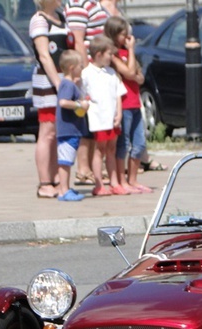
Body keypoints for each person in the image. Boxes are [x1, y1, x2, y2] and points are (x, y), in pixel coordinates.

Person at [30, 0, 73, 199]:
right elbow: (44, 55)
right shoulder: (39, 20)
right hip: (47, 83)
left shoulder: (61, 18)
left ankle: (57, 179)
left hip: (63, 81)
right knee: (46, 131)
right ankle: (44, 182)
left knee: (57, 132)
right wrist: (57, 83)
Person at [104, 16, 151, 194]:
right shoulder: (114, 56)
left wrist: (130, 54)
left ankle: (133, 179)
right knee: (123, 144)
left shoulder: (127, 54)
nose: (127, 39)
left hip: (135, 102)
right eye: (123, 35)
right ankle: (122, 180)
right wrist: (130, 53)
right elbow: (130, 72)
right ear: (114, 34)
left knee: (139, 143)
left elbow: (139, 77)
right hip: (122, 105)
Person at [65, 0, 108, 185]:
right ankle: (83, 169)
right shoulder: (77, 5)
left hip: (97, 70)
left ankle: (92, 167)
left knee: (93, 121)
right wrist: (85, 73)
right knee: (86, 120)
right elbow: (78, 42)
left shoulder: (91, 3)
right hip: (89, 71)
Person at [82, 35, 126, 196]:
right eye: (109, 54)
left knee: (111, 149)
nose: (111, 57)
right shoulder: (87, 73)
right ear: (99, 54)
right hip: (98, 118)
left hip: (112, 118)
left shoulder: (111, 72)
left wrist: (119, 113)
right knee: (99, 150)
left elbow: (118, 94)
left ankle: (114, 182)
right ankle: (99, 184)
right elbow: (82, 94)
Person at [55, 50, 87, 201]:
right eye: (80, 65)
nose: (82, 68)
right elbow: (63, 102)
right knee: (65, 161)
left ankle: (65, 188)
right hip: (68, 130)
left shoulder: (69, 84)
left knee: (66, 160)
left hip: (70, 130)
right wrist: (79, 104)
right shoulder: (67, 85)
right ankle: (63, 190)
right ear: (72, 67)